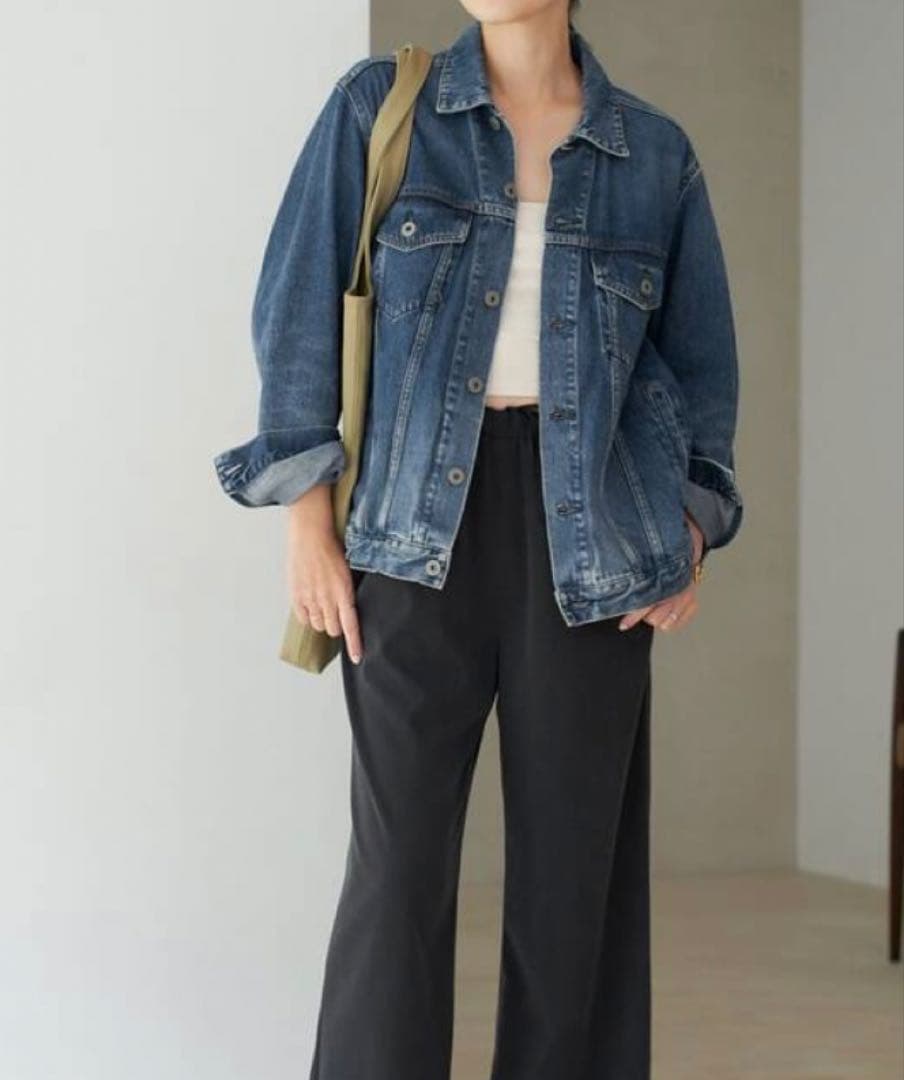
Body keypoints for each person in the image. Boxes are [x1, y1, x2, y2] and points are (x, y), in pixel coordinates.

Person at [214, 2, 744, 1076]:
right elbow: (297, 313)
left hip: (593, 541)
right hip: (411, 533)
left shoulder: (656, 155)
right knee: (396, 876)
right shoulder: (380, 111)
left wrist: (690, 523)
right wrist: (308, 518)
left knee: (573, 891)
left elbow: (700, 370)